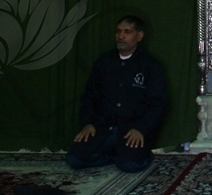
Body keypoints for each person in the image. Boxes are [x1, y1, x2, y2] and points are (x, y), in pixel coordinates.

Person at [68, 15, 167, 173]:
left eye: (127, 32)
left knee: (130, 165)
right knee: (75, 159)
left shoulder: (150, 65)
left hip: (131, 130)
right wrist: (88, 123)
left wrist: (141, 129)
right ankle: (112, 155)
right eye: (118, 31)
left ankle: (128, 155)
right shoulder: (104, 62)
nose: (121, 36)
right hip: (103, 127)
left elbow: (159, 104)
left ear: (139, 36)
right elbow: (89, 97)